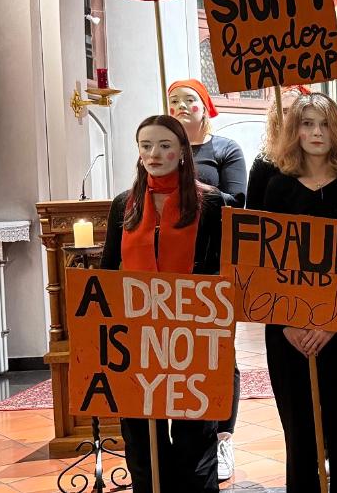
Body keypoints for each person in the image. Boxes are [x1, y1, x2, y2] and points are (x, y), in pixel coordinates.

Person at [246, 92, 337, 493]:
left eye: (323, 124)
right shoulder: (278, 189)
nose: (316, 132)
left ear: (336, 130)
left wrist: (332, 325)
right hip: (287, 331)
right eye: (306, 124)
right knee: (300, 435)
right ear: (293, 131)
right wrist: (287, 323)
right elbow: (263, 264)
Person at [101, 115, 228, 493]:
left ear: (182, 152)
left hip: (192, 332)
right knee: (141, 438)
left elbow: (220, 269)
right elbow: (109, 268)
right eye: (146, 146)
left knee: (195, 437)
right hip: (137, 334)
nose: (155, 154)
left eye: (165, 145)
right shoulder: (124, 204)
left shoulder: (210, 202)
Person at [167, 78, 247, 481]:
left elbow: (239, 202)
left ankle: (223, 437)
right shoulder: (167, 150)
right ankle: (187, 440)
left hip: (215, 263)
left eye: (189, 99)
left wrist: (196, 189)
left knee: (220, 350)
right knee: (178, 353)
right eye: (173, 101)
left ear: (206, 105)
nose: (181, 106)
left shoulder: (225, 149)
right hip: (170, 268)